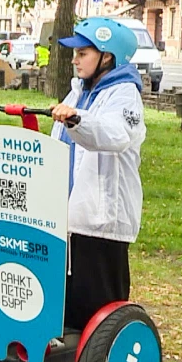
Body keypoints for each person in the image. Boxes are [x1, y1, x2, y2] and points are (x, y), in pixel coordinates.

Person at [50, 17, 145, 330]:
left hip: (103, 222)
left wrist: (78, 119)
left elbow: (115, 134)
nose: (74, 59)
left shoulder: (125, 94)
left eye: (83, 53)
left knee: (99, 308)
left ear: (107, 56)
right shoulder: (79, 90)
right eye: (75, 53)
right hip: (71, 217)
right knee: (70, 304)